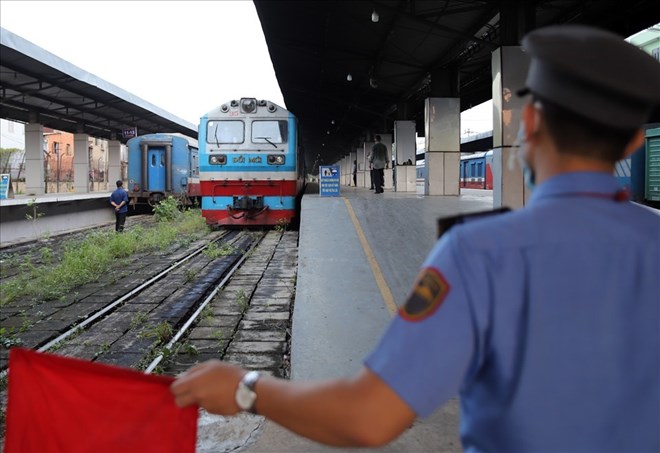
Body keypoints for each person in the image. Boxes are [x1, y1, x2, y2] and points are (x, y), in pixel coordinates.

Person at [171, 25, 660, 451]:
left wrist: (246, 388)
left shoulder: (477, 252)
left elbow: (369, 416)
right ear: (636, 140)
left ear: (529, 123)